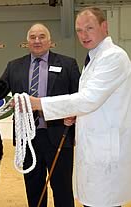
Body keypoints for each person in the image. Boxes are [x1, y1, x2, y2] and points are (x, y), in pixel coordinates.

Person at [29, 7, 131, 207]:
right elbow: (94, 101)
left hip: (105, 151)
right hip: (93, 148)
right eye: (79, 30)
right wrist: (76, 114)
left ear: (104, 27)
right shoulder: (94, 58)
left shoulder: (113, 57)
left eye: (89, 28)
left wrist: (39, 103)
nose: (84, 35)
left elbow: (88, 99)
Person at [1, 23, 80, 207]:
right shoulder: (14, 66)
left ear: (50, 41)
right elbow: (0, 94)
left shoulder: (68, 64)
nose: (37, 40)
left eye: (42, 36)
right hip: (28, 139)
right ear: (27, 42)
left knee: (62, 189)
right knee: (34, 188)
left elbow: (78, 97)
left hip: (60, 136)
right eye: (33, 37)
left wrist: (74, 115)